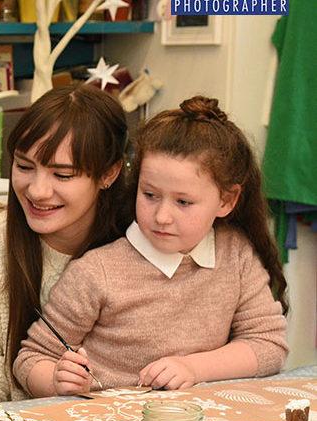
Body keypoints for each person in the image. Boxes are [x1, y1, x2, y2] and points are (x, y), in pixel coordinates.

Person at [14, 96, 289, 397]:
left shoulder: (235, 253)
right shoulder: (96, 271)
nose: (162, 216)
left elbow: (268, 345)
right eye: (150, 195)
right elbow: (30, 359)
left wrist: (193, 368)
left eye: (183, 202)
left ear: (226, 201)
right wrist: (55, 380)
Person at [0, 84, 133, 406]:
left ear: (109, 174)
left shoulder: (141, 245)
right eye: (24, 167)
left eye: (62, 175)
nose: (37, 191)